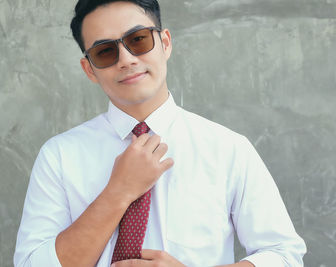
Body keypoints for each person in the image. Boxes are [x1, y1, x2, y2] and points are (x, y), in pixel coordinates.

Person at [14, 0, 306, 266]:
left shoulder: (228, 148)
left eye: (138, 40)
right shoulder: (59, 156)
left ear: (165, 43)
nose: (126, 59)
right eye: (105, 52)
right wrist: (119, 191)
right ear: (89, 70)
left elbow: (283, 255)